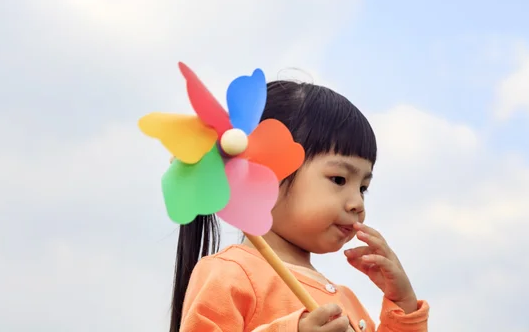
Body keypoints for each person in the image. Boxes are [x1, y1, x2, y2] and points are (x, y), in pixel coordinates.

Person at [169, 80, 429, 331]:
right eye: (339, 179)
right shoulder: (230, 273)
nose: (357, 203)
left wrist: (403, 306)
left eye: (363, 188)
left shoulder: (348, 300)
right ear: (265, 174)